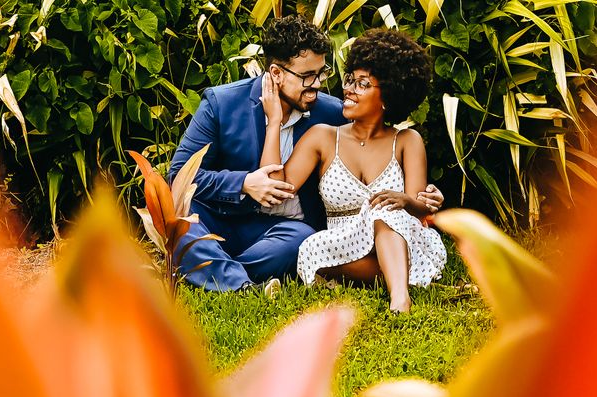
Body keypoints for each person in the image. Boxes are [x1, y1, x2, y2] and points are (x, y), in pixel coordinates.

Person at [165, 15, 442, 291]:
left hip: (280, 231)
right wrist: (244, 183)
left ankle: (215, 271)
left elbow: (375, 140)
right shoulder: (222, 104)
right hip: (220, 217)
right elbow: (177, 176)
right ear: (276, 73)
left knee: (301, 238)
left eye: (322, 73)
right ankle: (239, 283)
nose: (318, 84)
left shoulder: (332, 113)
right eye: (308, 76)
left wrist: (423, 198)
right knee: (184, 214)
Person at [271, 30, 446, 313]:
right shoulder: (323, 137)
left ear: (388, 95)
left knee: (382, 207)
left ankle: (400, 299)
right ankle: (402, 277)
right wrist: (274, 123)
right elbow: (278, 186)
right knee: (309, 249)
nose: (349, 89)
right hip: (344, 244)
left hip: (401, 235)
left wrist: (404, 200)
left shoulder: (407, 141)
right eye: (350, 79)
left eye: (363, 84)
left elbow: (419, 209)